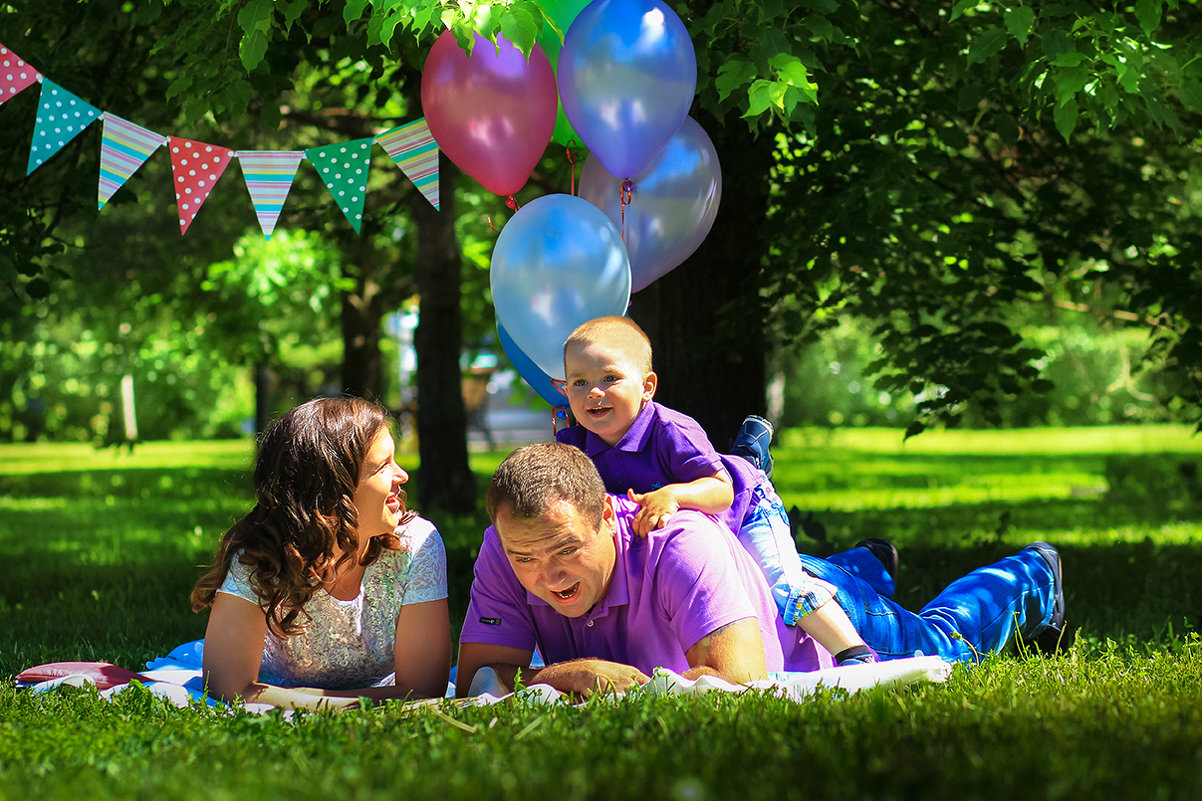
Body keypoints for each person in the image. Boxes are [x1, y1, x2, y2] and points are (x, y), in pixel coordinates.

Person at [455, 442, 1067, 698]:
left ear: (608, 518)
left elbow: (735, 687)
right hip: (752, 589)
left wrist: (588, 677)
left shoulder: (680, 545)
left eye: (565, 549)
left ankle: (1034, 574)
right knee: (819, 571)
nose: (544, 574)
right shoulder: (507, 547)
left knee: (943, 640)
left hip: (821, 628)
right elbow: (482, 675)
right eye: (526, 559)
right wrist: (578, 676)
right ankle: (867, 562)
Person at [554, 316, 874, 665]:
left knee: (783, 583)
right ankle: (866, 561)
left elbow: (721, 492)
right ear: (564, 390)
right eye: (580, 382)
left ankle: (853, 652)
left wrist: (673, 494)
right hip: (691, 536)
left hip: (744, 507)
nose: (594, 392)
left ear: (647, 386)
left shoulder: (669, 430)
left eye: (610, 378)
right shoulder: (574, 446)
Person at [190, 397, 451, 710]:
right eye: (383, 466)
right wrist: (334, 705)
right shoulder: (260, 557)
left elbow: (423, 691)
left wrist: (310, 703)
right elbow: (227, 687)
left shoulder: (417, 545)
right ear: (330, 489)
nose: (402, 476)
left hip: (279, 700)